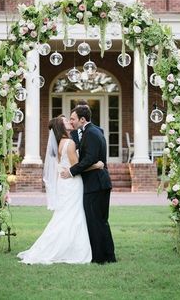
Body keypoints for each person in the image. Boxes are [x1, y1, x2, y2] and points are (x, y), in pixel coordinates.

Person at [17, 115, 103, 265]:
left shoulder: (59, 143)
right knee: (73, 215)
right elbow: (78, 166)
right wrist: (97, 165)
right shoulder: (69, 143)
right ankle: (72, 250)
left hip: (64, 183)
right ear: (61, 127)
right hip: (72, 183)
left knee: (64, 215)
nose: (69, 122)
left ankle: (67, 248)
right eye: (65, 121)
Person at [61, 105, 116, 264]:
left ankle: (100, 257)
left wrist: (71, 171)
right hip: (100, 182)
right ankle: (108, 256)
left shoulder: (91, 133)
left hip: (96, 183)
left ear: (82, 119)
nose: (71, 121)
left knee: (96, 220)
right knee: (101, 220)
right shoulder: (94, 130)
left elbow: (89, 159)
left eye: (73, 119)